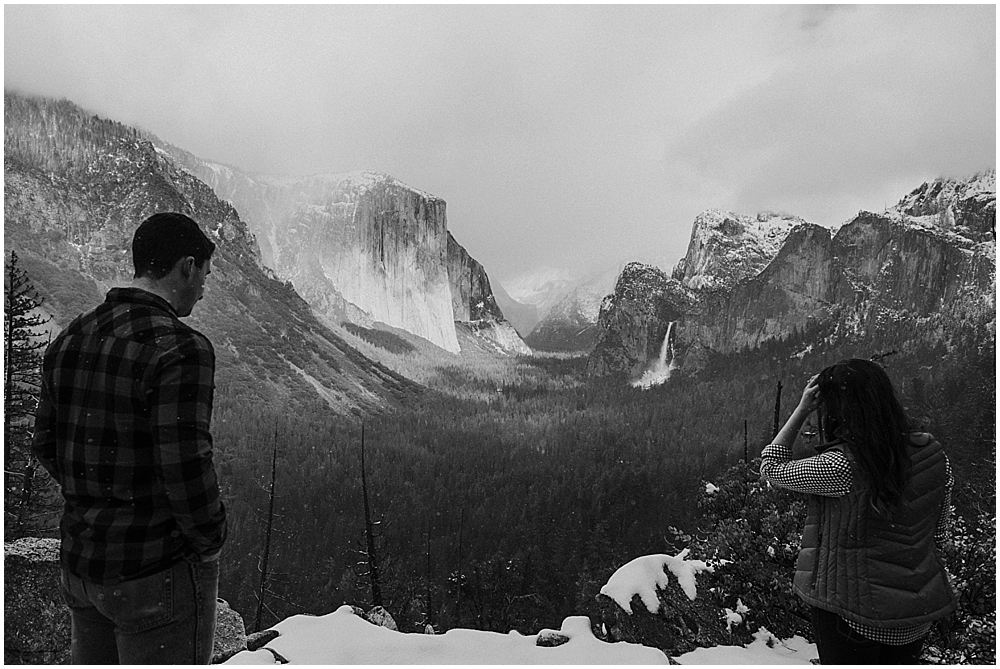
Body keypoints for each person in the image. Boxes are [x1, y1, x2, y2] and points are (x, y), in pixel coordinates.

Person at [32, 212, 228, 664]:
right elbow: (186, 468)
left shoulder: (70, 337)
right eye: (204, 274)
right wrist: (211, 538)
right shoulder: (182, 349)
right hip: (153, 574)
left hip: (82, 568)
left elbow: (44, 442)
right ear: (186, 266)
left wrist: (97, 498)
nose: (203, 287)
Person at [760, 358, 957, 665]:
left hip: (852, 614)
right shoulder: (933, 453)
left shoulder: (842, 466)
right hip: (916, 613)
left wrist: (801, 410)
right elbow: (940, 533)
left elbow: (771, 467)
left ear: (838, 409)